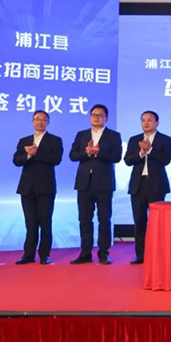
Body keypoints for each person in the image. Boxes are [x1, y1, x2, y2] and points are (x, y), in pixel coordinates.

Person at [69, 104, 122, 265]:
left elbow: (117, 157)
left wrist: (99, 152)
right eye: (93, 115)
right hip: (84, 183)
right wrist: (86, 152)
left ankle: (103, 252)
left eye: (100, 115)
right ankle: (85, 252)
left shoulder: (114, 136)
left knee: (104, 220)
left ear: (107, 118)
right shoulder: (82, 134)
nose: (96, 117)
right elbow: (73, 155)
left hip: (104, 183)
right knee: (84, 219)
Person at [12, 110, 63, 265]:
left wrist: (36, 153)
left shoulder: (55, 140)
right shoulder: (24, 140)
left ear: (48, 122)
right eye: (37, 119)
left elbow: (56, 159)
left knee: (45, 223)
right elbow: (16, 160)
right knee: (30, 223)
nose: (40, 122)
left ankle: (44, 255)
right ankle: (28, 255)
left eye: (43, 119)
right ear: (32, 121)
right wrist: (28, 155)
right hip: (27, 188)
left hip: (46, 187)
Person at [123, 110, 171, 264]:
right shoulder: (134, 140)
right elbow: (128, 160)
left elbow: (166, 160)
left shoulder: (165, 139)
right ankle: (141, 255)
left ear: (157, 123)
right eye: (143, 120)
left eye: (149, 120)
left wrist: (150, 150)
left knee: (157, 223)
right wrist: (141, 153)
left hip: (156, 186)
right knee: (139, 221)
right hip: (138, 186)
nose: (146, 123)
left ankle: (158, 255)